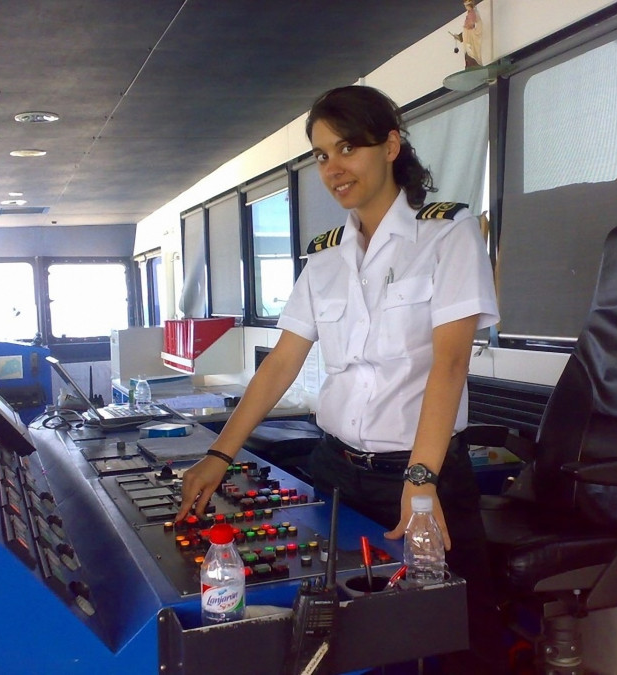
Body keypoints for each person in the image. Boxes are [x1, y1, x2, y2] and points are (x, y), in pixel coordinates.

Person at [177, 85, 503, 672]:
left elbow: (449, 363)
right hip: (335, 476)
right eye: (322, 154)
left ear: (391, 146)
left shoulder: (447, 235)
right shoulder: (324, 258)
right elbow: (281, 361)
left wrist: (422, 480)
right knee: (342, 641)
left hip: (418, 473)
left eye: (347, 147)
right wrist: (220, 454)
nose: (333, 168)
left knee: (452, 640)